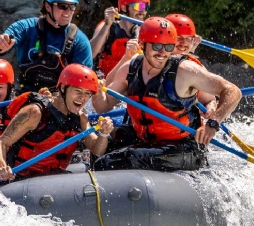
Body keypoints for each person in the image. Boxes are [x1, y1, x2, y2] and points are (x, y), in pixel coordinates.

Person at [92, 17, 240, 172]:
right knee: (101, 142)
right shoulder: (130, 68)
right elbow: (103, 106)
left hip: (183, 147)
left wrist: (213, 123)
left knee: (117, 160)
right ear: (142, 45)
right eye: (157, 46)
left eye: (169, 47)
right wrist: (97, 90)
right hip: (145, 140)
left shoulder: (185, 71)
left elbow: (232, 91)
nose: (163, 53)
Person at [0, 64, 114, 181]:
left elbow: (96, 150)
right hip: (21, 179)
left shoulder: (81, 117)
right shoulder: (35, 112)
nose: (82, 98)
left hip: (53, 180)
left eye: (87, 93)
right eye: (78, 91)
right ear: (63, 88)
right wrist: (2, 167)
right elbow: (1, 143)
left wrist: (104, 133)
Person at [0, 0, 94, 94]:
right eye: (63, 6)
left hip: (61, 101)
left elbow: (82, 85)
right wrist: (2, 44)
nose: (68, 11)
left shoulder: (80, 41)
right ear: (47, 6)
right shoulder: (26, 28)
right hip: (25, 94)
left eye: (72, 6)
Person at [90, 0, 150, 77]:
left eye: (145, 7)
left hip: (128, 83)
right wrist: (106, 25)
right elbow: (90, 54)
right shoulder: (107, 27)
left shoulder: (145, 31)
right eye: (139, 6)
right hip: (105, 82)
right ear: (124, 8)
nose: (143, 11)